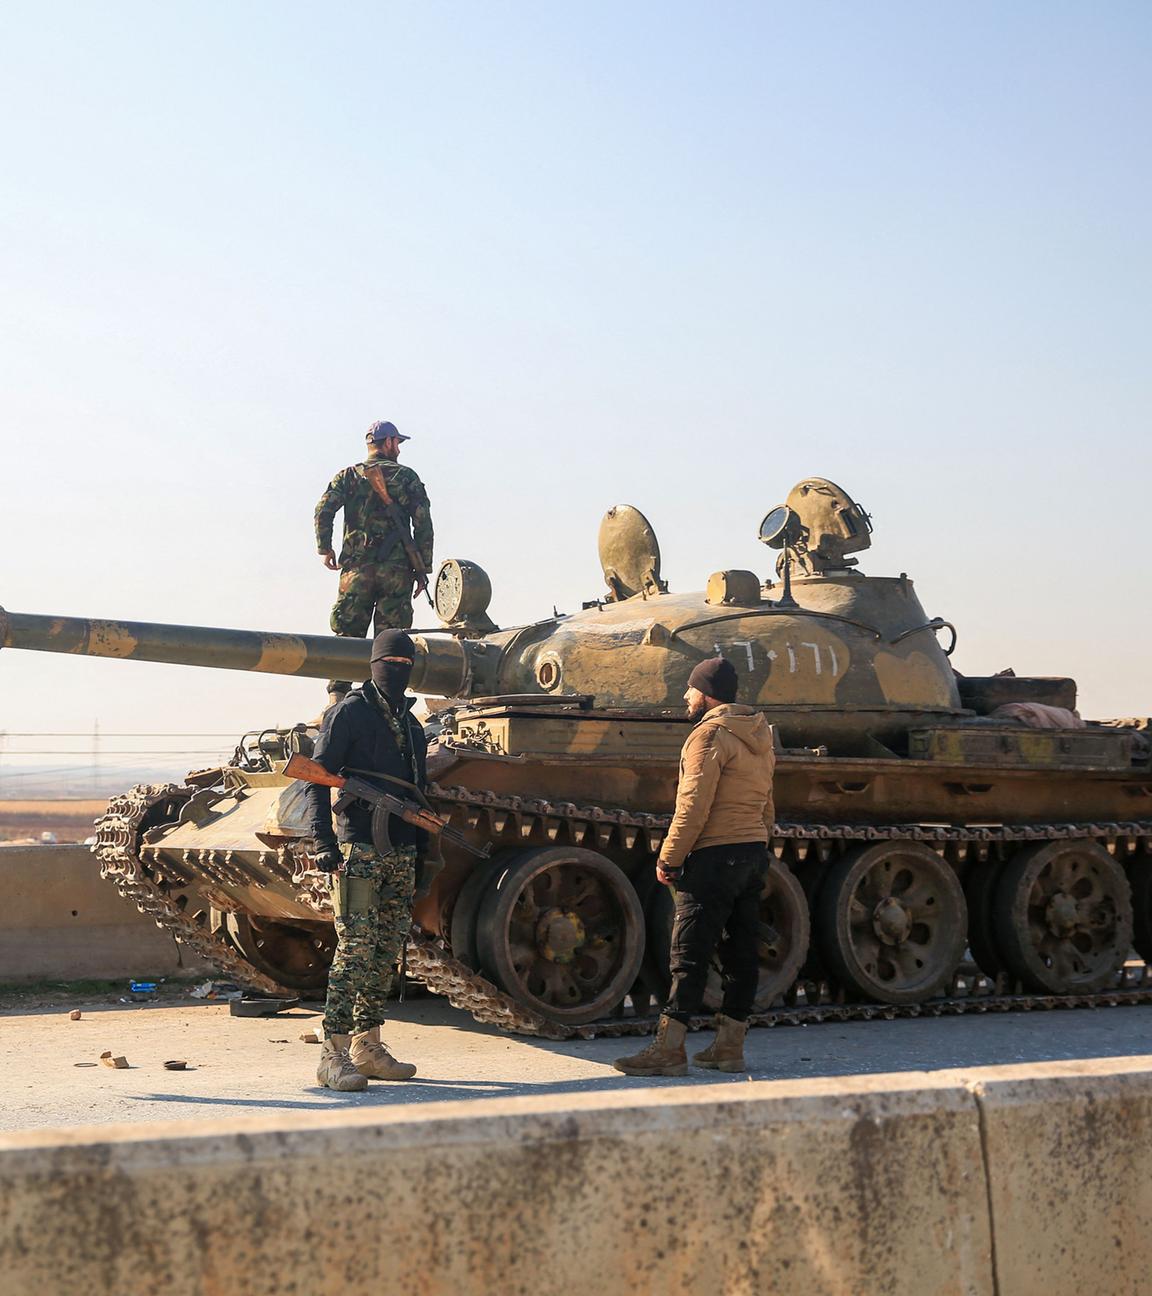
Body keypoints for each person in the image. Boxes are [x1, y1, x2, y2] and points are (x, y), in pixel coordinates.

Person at [614, 656, 776, 1078]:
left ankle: (668, 1050)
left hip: (714, 854)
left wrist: (669, 857)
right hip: (751, 850)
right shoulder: (760, 733)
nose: (684, 696)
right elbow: (767, 805)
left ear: (705, 693)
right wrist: (759, 845)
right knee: (741, 952)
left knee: (689, 954)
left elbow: (693, 805)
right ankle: (729, 1048)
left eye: (689, 689)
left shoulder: (707, 736)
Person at [303, 628, 429, 1091]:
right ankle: (331, 1055)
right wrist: (323, 842)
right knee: (354, 950)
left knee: (384, 952)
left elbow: (423, 796)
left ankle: (367, 1045)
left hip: (402, 852)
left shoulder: (413, 726)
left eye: (404, 665)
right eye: (389, 663)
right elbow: (316, 779)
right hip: (358, 846)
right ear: (374, 665)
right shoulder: (349, 714)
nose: (396, 671)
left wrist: (425, 856)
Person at [315, 420, 434, 708]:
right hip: (396, 574)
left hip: (356, 572)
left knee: (346, 636)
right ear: (390, 442)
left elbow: (323, 510)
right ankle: (386, 703)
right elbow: (423, 524)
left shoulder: (348, 477)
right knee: (390, 642)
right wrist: (423, 567)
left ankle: (336, 699)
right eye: (398, 444)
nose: (399, 450)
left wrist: (325, 547)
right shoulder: (406, 477)